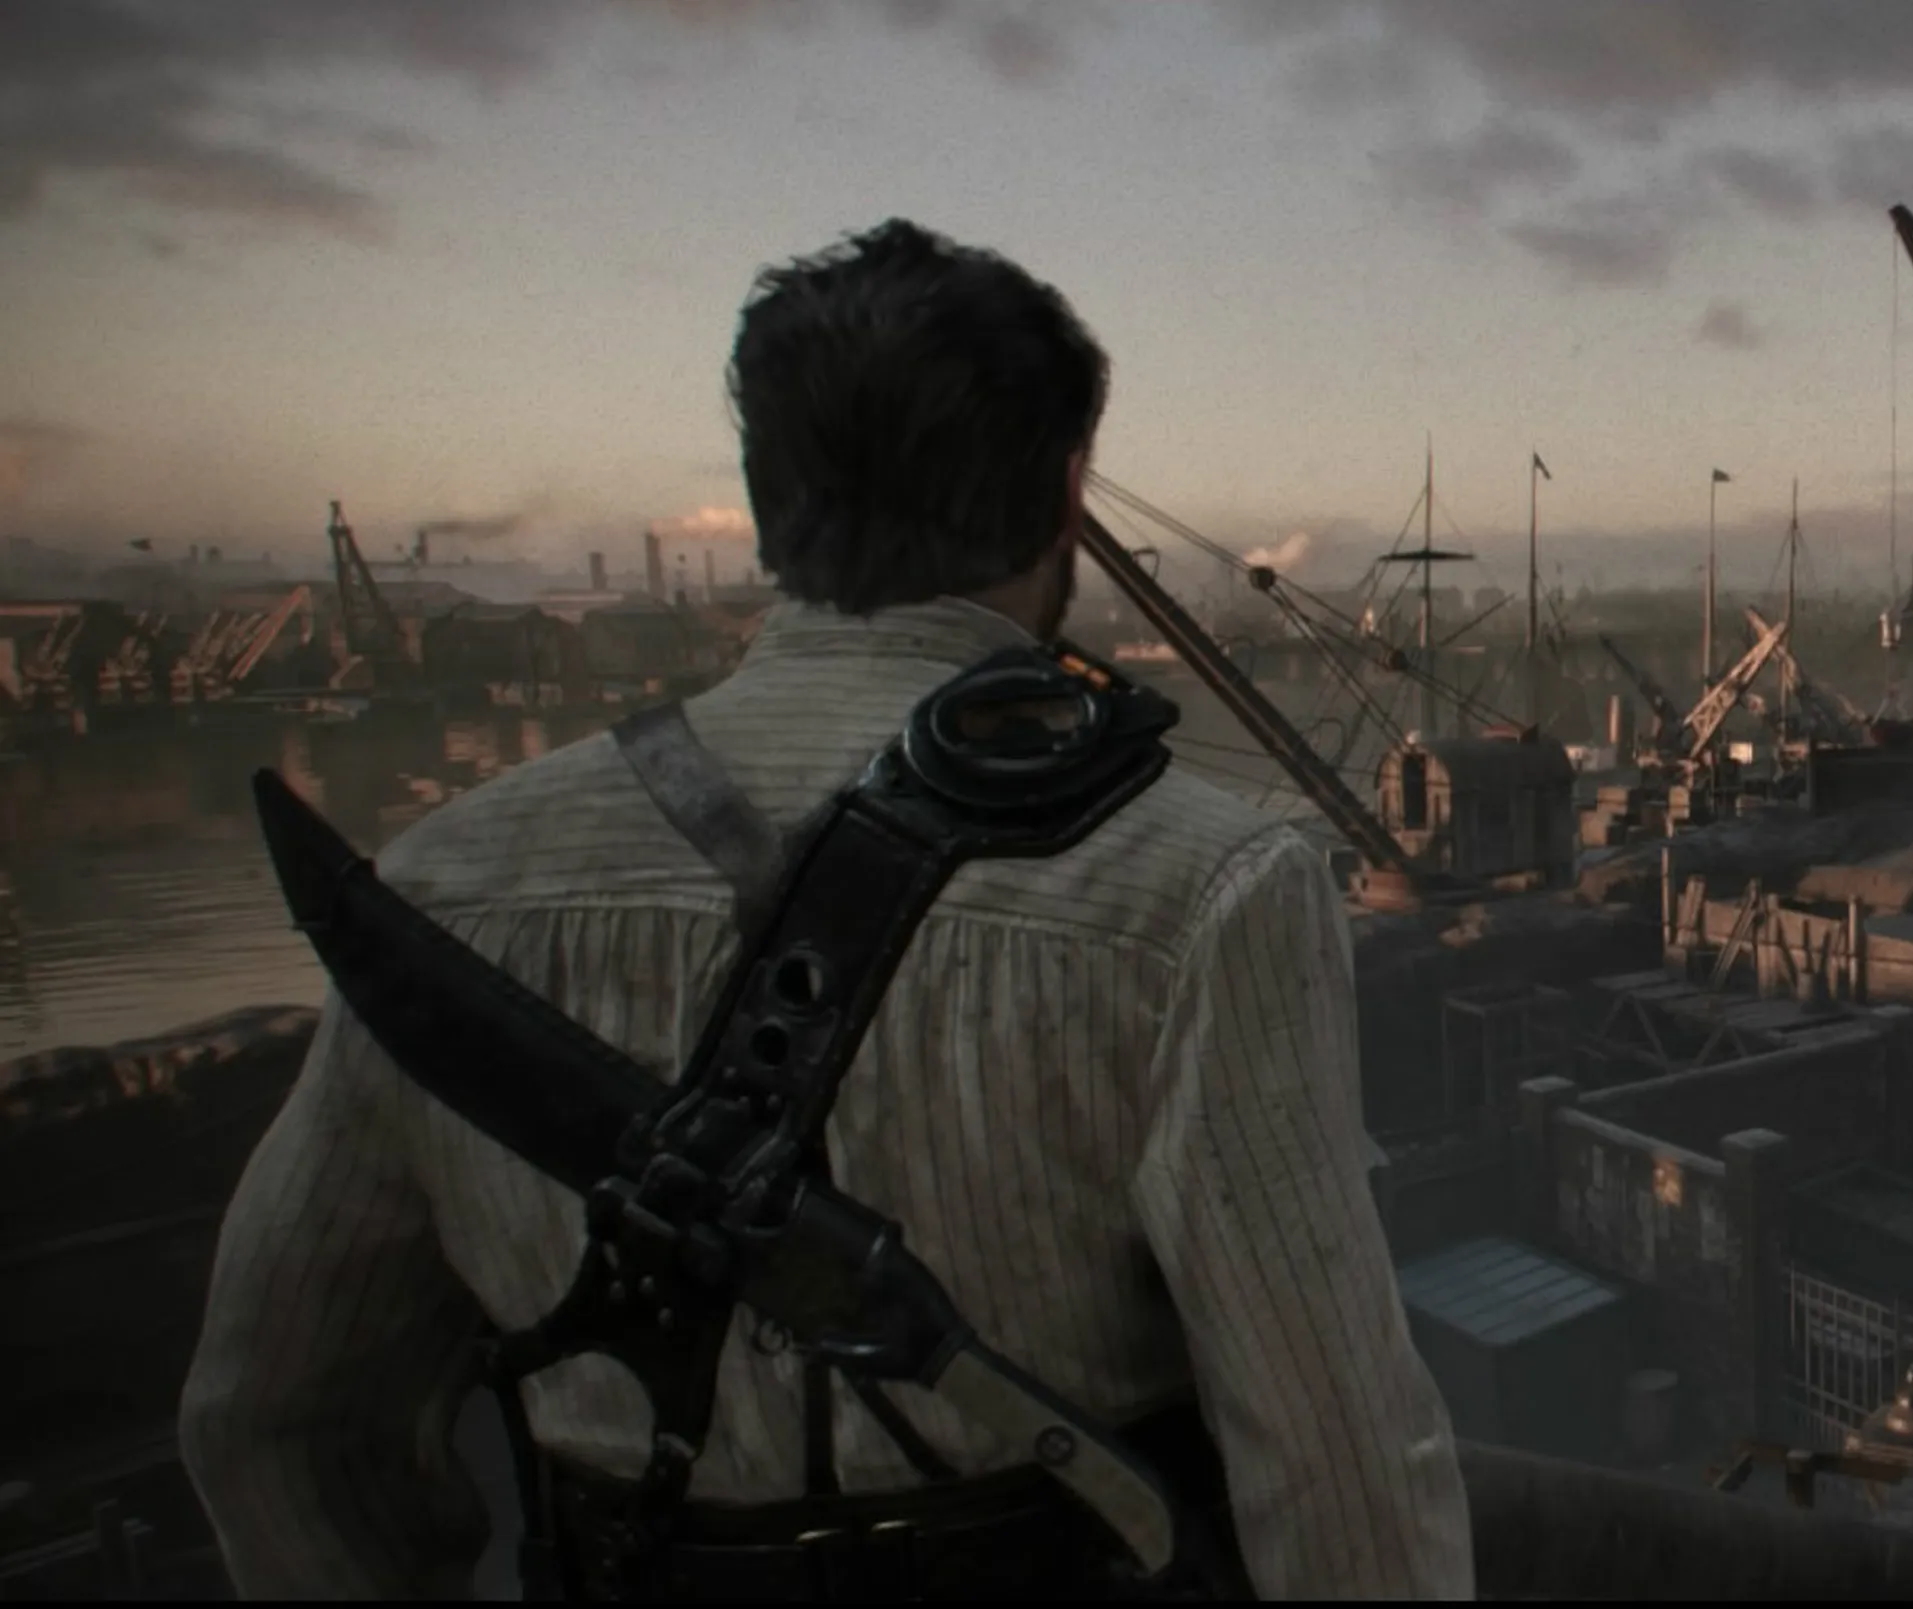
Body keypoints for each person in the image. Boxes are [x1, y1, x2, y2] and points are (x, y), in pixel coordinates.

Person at [179, 219, 1472, 1599]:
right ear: (1067, 498)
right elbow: (1338, 1468)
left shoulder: (442, 884)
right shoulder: (1212, 884)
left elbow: (275, 1420)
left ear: (765, 500)